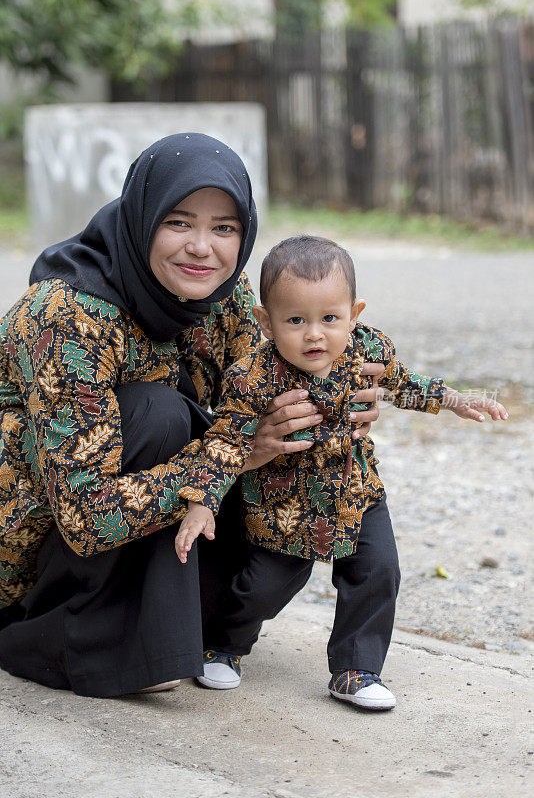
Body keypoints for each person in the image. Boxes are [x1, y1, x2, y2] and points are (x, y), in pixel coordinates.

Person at [0, 135, 381, 697]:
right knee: (157, 412)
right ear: (141, 217)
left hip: (149, 515)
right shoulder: (67, 317)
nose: (203, 247)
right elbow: (86, 515)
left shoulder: (221, 296)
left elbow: (275, 387)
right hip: (31, 558)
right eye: (179, 222)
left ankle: (191, 628)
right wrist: (234, 456)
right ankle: (74, 637)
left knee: (278, 440)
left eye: (224, 228)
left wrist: (338, 399)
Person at [174, 235, 508, 710]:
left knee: (378, 570)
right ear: (266, 323)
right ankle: (224, 645)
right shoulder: (253, 375)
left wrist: (455, 399)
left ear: (354, 313)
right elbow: (226, 440)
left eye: (330, 318)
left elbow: (403, 383)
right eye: (296, 320)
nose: (314, 334)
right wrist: (202, 500)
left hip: (356, 492)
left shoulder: (366, 348)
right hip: (283, 504)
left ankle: (355, 669)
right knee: (263, 586)